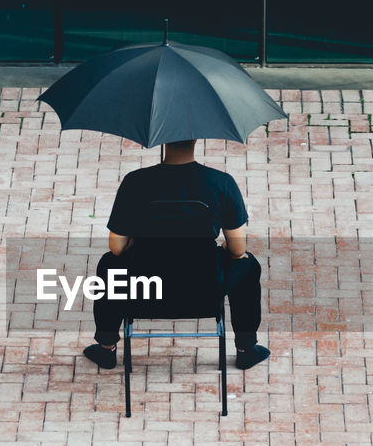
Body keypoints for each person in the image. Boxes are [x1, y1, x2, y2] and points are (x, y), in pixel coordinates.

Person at [82, 139, 270, 371]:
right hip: (202, 293)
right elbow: (238, 249)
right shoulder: (222, 183)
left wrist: (135, 239)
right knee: (248, 266)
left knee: (109, 264)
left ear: (161, 139)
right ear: (196, 139)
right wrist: (223, 248)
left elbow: (117, 248)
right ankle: (245, 348)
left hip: (147, 293)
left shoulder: (135, 182)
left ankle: (106, 346)